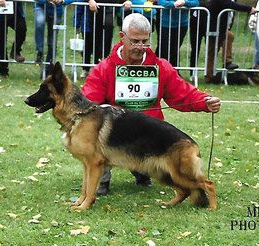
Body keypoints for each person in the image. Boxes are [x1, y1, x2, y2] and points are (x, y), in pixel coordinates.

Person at [81, 13, 221, 196]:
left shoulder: (160, 67)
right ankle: (102, 178)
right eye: (135, 41)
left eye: (145, 42)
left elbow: (182, 93)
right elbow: (87, 103)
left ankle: (143, 172)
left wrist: (205, 102)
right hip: (115, 135)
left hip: (148, 135)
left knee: (166, 169)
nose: (140, 47)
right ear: (122, 38)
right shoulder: (104, 69)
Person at [190, 0, 255, 82]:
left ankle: (227, 62)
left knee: (229, 36)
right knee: (212, 53)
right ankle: (209, 76)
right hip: (211, 29)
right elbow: (230, 4)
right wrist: (249, 9)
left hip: (220, 29)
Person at [0, 0, 27, 77]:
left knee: (22, 29)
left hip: (15, 11)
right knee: (0, 41)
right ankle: (3, 70)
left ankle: (15, 51)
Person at [155, 0, 198, 67]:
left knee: (175, 49)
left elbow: (195, 2)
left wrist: (184, 2)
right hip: (165, 24)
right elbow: (160, 2)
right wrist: (174, 4)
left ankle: (174, 71)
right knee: (164, 49)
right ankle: (161, 70)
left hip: (182, 24)